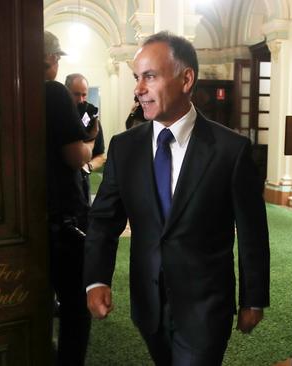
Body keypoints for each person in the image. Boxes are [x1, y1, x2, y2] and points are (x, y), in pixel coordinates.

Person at [84, 31, 270, 365]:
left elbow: (253, 232)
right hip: (148, 304)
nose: (138, 89)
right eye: (137, 78)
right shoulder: (123, 148)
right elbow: (104, 220)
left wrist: (253, 298)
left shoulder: (231, 150)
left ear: (186, 79)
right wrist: (96, 278)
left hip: (206, 307)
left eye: (150, 77)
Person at [44, 30, 97, 366]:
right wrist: (89, 143)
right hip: (61, 222)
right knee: (77, 307)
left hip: (23, 216)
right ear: (51, 58)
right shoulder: (52, 93)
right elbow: (76, 157)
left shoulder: (6, 89)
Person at [64, 73, 107, 202]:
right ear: (66, 93)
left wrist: (88, 167)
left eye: (84, 95)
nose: (81, 100)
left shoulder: (92, 122)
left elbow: (100, 156)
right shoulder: (58, 119)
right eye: (76, 94)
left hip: (82, 189)